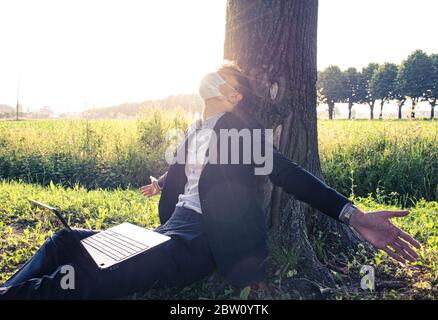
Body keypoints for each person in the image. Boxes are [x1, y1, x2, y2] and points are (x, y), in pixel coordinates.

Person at [0, 61, 421, 300]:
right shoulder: (196, 131)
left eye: (224, 79)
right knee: (63, 243)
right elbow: (190, 169)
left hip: (198, 242)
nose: (213, 77)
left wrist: (352, 215)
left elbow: (290, 175)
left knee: (87, 276)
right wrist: (164, 180)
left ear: (235, 96)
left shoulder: (243, 133)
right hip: (165, 231)